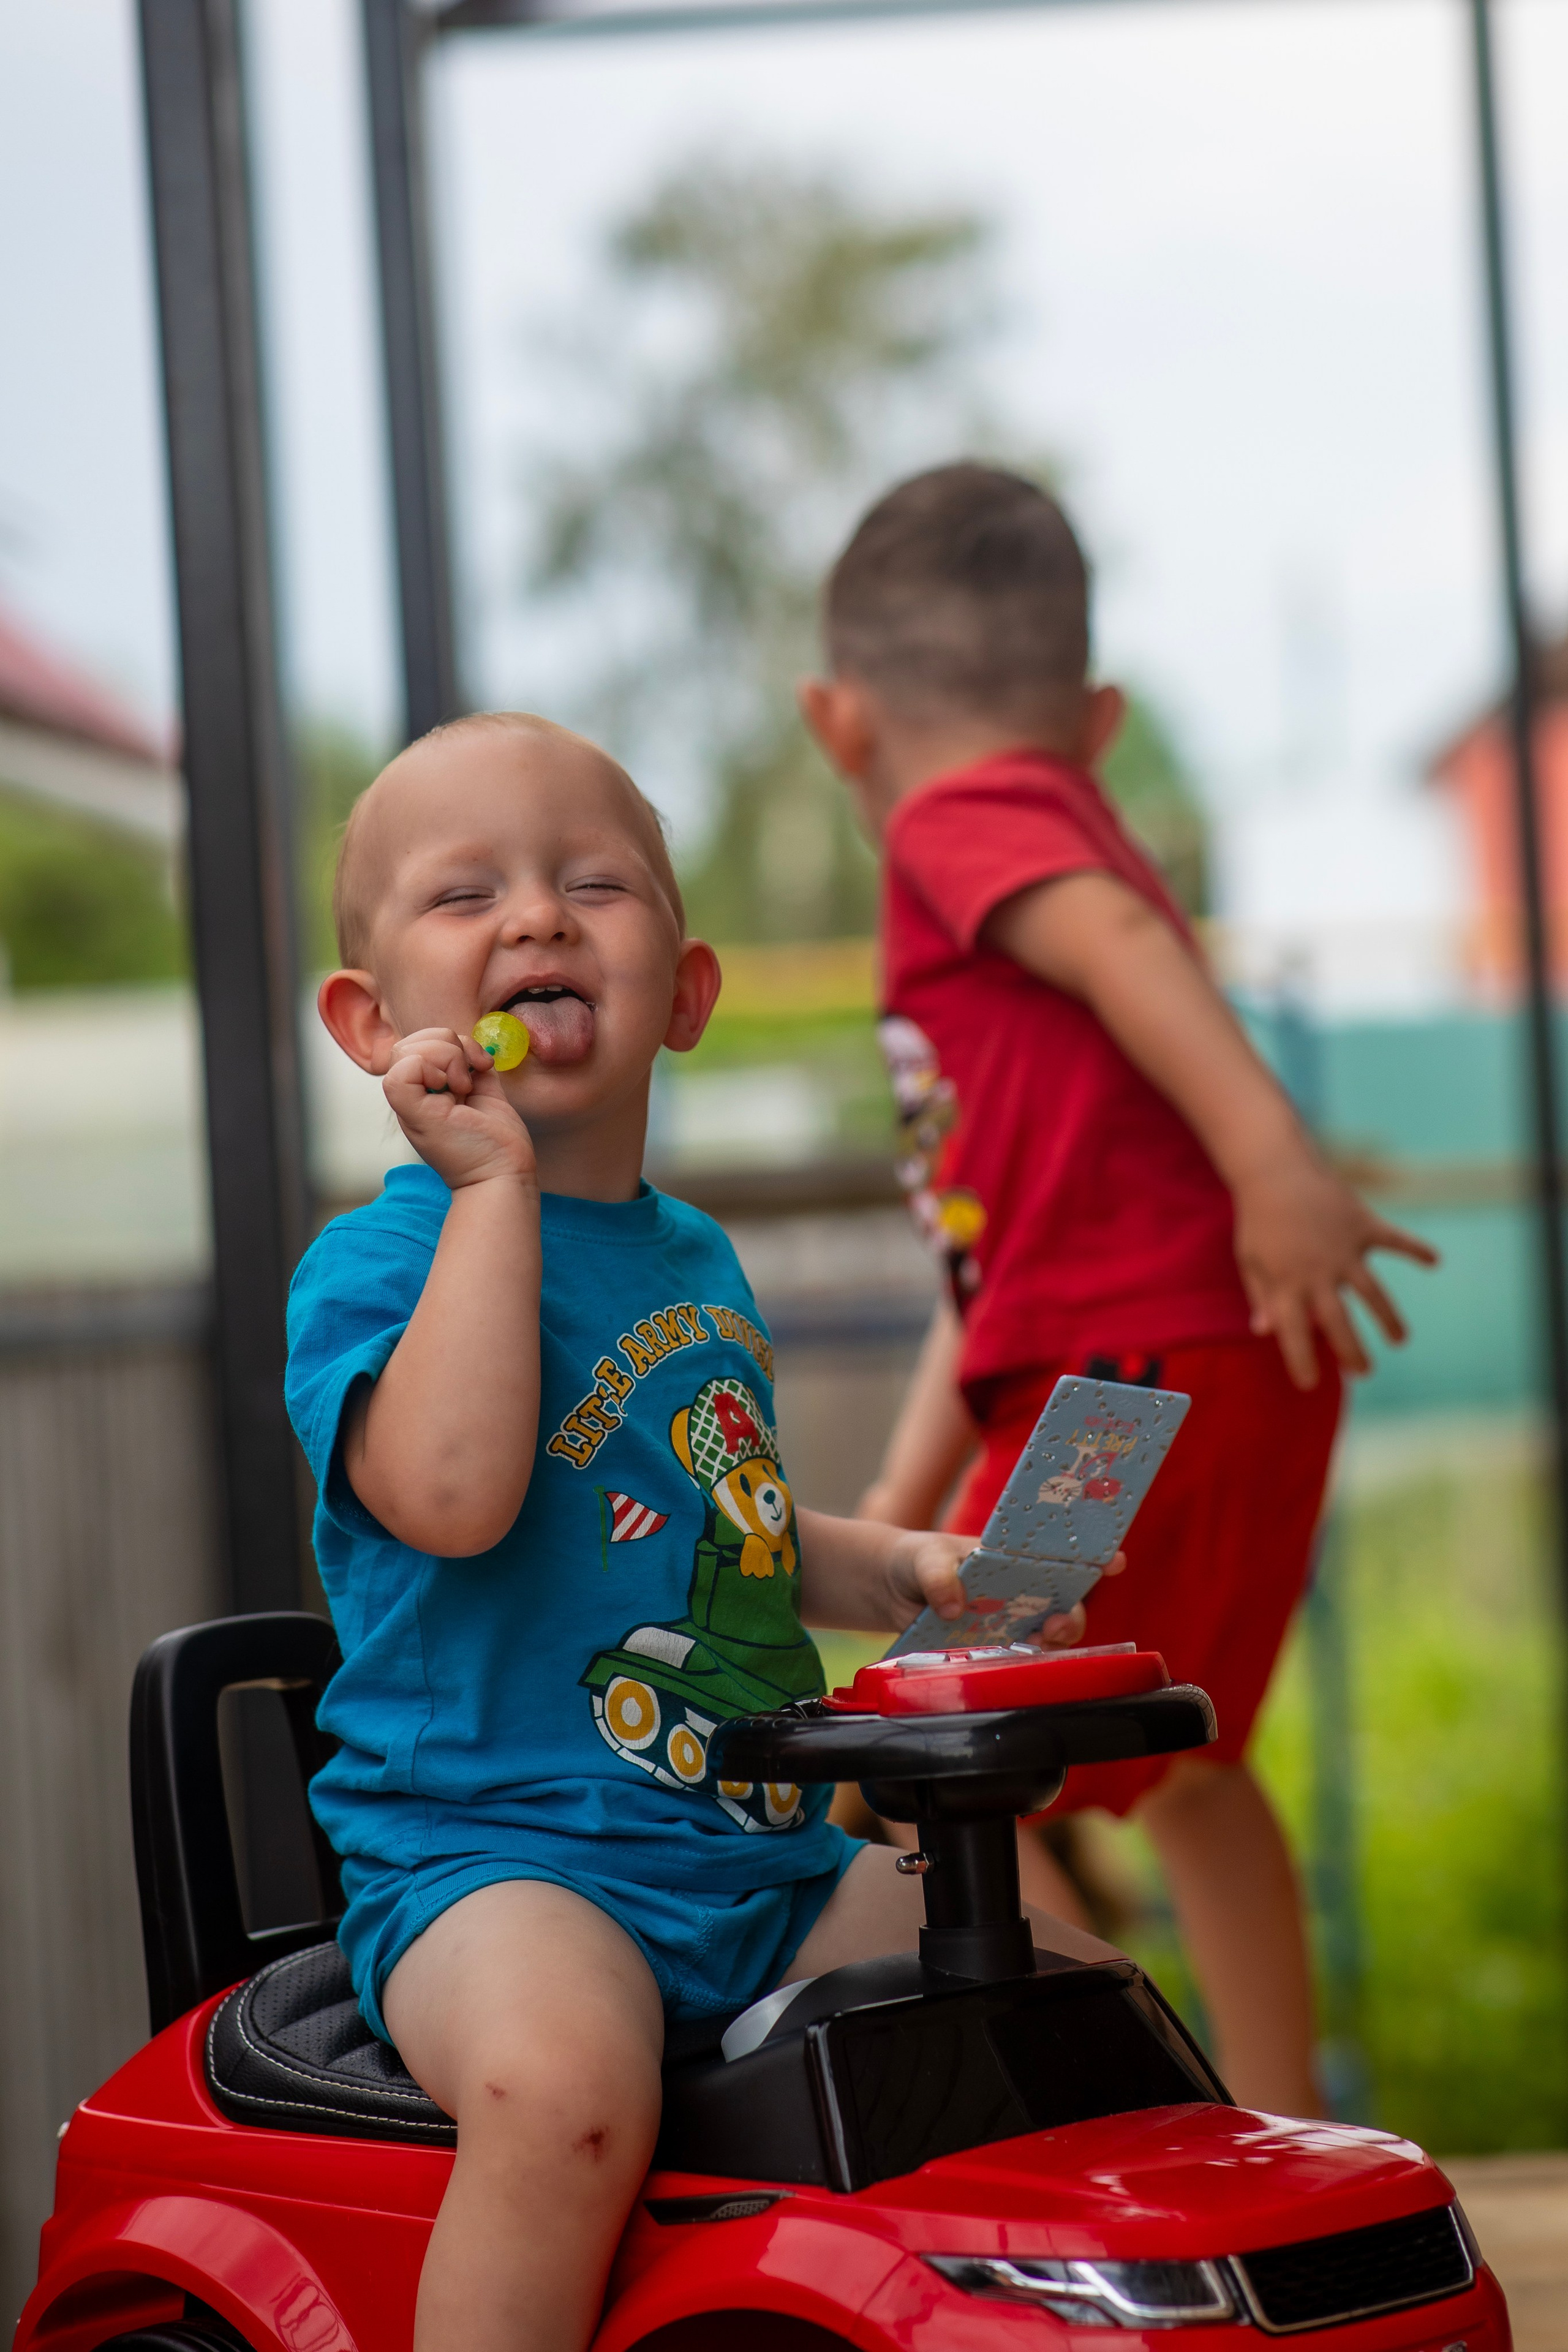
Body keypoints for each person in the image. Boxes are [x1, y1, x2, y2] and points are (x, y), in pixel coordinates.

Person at [286, 710, 1116, 2352]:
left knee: (1058, 2007)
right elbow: (457, 1497)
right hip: (498, 1863)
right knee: (568, 2095)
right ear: (372, 1023)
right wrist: (492, 1195)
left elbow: (710, 1522)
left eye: (591, 881)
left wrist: (893, 1567)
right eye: (471, 895)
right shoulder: (376, 1269)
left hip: (757, 1852)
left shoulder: (696, 1266)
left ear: (690, 991)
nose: (536, 918)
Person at [800, 462, 1438, 2120]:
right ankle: (1285, 2124)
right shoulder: (1062, 817)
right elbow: (996, 1266)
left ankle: (1157, 2114)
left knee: (947, 1775)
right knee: (1191, 1771)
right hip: (1197, 1360)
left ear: (838, 723)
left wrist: (1272, 1160)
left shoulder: (959, 818)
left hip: (1133, 1377)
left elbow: (1125, 953)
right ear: (1100, 718)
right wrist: (897, 1504)